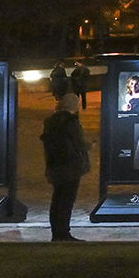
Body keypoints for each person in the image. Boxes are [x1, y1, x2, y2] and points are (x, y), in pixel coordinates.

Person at [41, 88, 90, 242]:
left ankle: (57, 232)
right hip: (71, 165)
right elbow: (78, 143)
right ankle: (63, 232)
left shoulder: (51, 122)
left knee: (57, 199)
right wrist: (89, 146)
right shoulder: (71, 122)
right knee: (66, 200)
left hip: (55, 164)